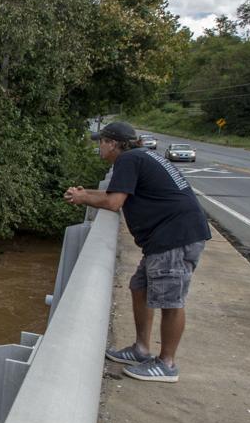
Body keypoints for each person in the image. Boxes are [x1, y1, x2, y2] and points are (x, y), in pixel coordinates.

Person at [63, 121, 210, 382]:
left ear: (113, 143)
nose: (99, 147)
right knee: (139, 287)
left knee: (171, 300)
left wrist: (83, 198)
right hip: (168, 236)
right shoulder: (139, 156)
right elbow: (114, 193)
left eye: (101, 142)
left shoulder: (128, 160)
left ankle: (167, 364)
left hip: (175, 237)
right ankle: (141, 349)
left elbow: (113, 202)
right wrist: (86, 193)